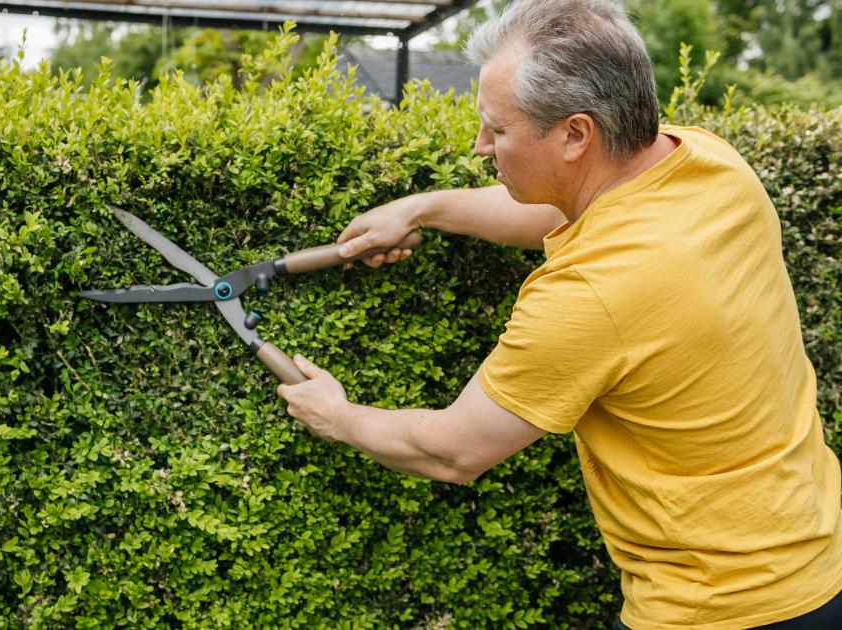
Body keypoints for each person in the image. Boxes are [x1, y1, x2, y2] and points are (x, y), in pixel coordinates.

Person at [275, 0, 842, 627]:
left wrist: (338, 415)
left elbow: (451, 451)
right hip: (819, 558)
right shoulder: (709, 164)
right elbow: (567, 205)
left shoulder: (591, 293)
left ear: (576, 134)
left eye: (498, 129)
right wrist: (423, 208)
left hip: (718, 608)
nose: (479, 146)